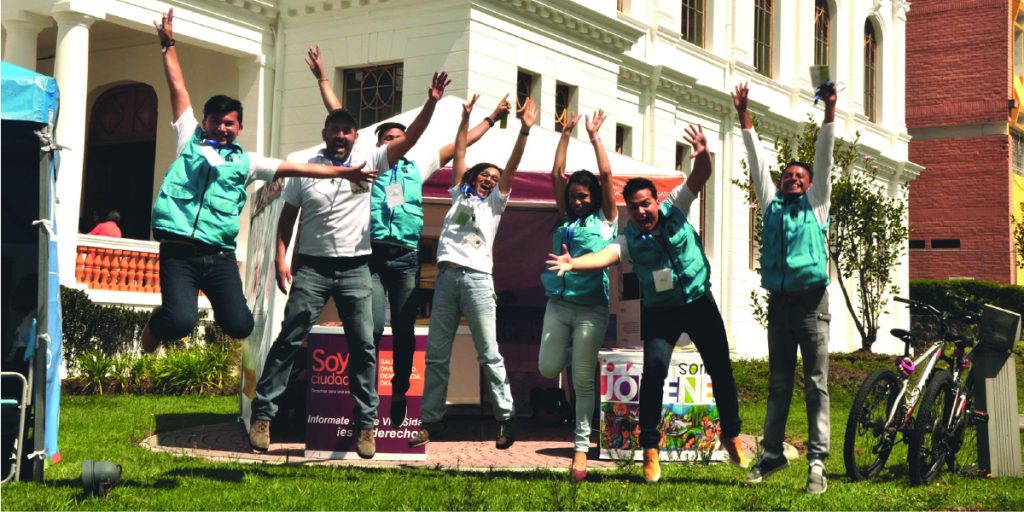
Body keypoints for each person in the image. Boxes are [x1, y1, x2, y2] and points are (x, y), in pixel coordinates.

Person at [140, 9, 374, 354]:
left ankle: (189, 313)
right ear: (204, 121)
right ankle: (159, 321)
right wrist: (168, 44)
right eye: (216, 121)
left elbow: (298, 168)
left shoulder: (247, 162)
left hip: (219, 255)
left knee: (240, 325)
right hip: (179, 252)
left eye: (229, 123)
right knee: (180, 322)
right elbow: (178, 87)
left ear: (239, 128)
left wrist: (345, 172)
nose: (222, 128)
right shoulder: (188, 137)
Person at [247, 69, 451, 458]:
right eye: (334, 129)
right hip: (312, 268)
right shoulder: (304, 165)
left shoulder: (371, 159)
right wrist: (280, 257)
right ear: (325, 133)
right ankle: (263, 416)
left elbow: (410, 138)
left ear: (356, 136)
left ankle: (366, 425)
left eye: (347, 130)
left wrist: (431, 103)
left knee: (363, 346)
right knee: (289, 338)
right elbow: (288, 218)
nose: (340, 135)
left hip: (357, 267)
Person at [305, 45, 512, 428]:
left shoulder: (420, 164)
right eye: (388, 138)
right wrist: (322, 78)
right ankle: (366, 400)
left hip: (405, 259)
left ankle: (399, 390)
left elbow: (463, 145)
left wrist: (491, 118)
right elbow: (338, 114)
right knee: (370, 328)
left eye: (400, 137)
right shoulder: (366, 161)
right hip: (369, 257)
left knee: (403, 330)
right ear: (378, 143)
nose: (395, 141)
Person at [547, 124, 747, 482]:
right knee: (654, 371)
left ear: (656, 201)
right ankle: (650, 449)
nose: (641, 211)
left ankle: (731, 435)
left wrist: (703, 154)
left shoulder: (676, 208)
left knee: (720, 368)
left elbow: (700, 176)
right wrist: (573, 263)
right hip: (660, 311)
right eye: (634, 207)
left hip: (699, 302)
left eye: (646, 204)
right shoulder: (629, 239)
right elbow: (604, 255)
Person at [407, 95, 538, 450]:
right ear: (473, 177)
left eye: (495, 178)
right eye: (485, 175)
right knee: (436, 354)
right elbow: (460, 151)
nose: (490, 180)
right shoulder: (458, 196)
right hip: (447, 279)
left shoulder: (495, 203)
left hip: (478, 280)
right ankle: (432, 420)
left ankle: (506, 417)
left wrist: (524, 131)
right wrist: (470, 119)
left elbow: (512, 167)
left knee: (488, 353)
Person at [733, 82, 836, 494]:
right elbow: (756, 160)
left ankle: (817, 463)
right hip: (779, 305)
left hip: (812, 305)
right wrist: (743, 115)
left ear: (810, 184)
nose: (793, 177)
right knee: (778, 383)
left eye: (800, 175)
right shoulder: (771, 204)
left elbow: (825, 156)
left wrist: (830, 111)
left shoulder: (818, 204)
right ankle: (772, 454)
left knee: (815, 383)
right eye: (788, 175)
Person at [537, 109, 617, 481]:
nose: (578, 201)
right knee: (548, 368)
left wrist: (595, 136)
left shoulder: (605, 219)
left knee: (582, 381)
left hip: (590, 309)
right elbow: (556, 174)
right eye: (573, 197)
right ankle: (575, 349)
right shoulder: (565, 217)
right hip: (558, 305)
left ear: (593, 197)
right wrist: (565, 134)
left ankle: (580, 450)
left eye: (583, 196)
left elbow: (608, 176)